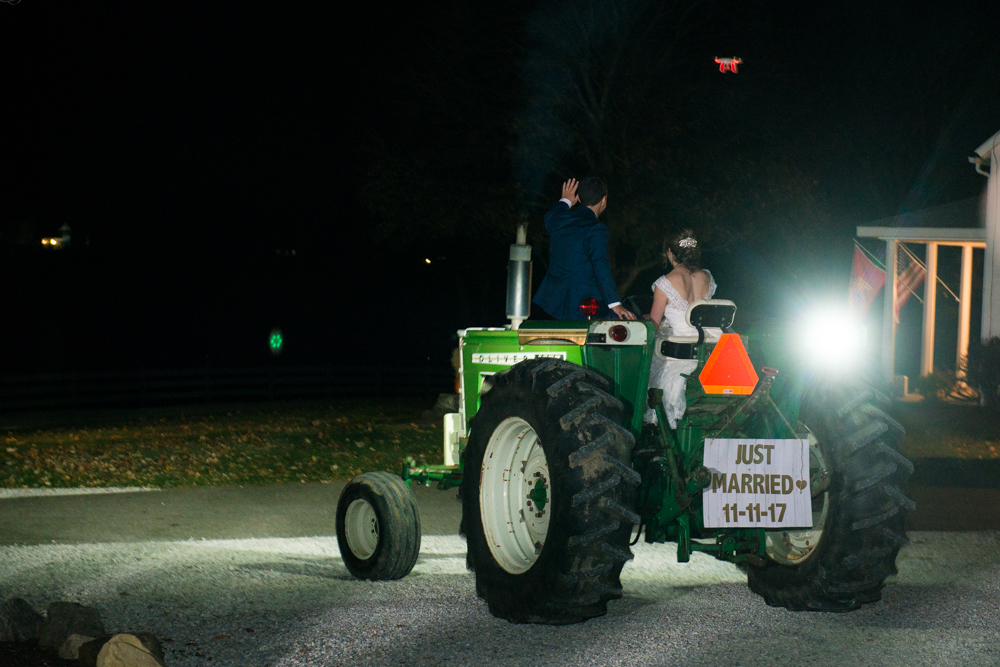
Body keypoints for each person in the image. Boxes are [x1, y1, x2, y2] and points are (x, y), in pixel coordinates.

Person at [532, 177, 637, 321]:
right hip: (585, 304)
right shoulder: (596, 228)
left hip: (554, 302)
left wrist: (565, 201)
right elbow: (600, 265)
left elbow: (550, 217)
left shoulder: (560, 221)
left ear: (579, 199)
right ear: (604, 200)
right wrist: (615, 303)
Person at [645, 230, 717, 428]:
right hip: (703, 349)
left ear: (670, 253)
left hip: (678, 354)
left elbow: (654, 324)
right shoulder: (707, 277)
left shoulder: (665, 282)